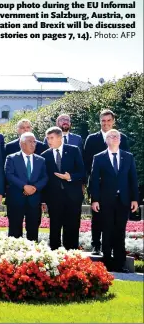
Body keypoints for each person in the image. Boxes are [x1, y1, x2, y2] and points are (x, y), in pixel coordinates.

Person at [89, 129, 139, 273]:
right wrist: (95, 200)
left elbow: (133, 179)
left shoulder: (128, 157)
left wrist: (135, 199)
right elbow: (94, 181)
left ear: (120, 140)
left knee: (120, 232)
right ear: (106, 140)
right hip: (106, 200)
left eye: (116, 136)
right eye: (111, 136)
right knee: (107, 230)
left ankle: (120, 263)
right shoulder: (99, 157)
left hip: (123, 200)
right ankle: (107, 263)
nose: (114, 138)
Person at [84, 109, 132, 255]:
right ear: (100, 122)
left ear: (113, 121)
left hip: (117, 189)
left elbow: (127, 165)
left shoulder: (121, 138)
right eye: (103, 121)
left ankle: (113, 249)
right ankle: (96, 244)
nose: (106, 123)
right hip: (99, 186)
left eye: (108, 121)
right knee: (97, 217)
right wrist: (90, 186)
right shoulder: (92, 139)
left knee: (116, 222)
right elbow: (86, 162)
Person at [41, 127, 85, 250]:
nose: (49, 140)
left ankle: (72, 254)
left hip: (73, 196)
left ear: (60, 137)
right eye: (47, 138)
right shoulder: (45, 155)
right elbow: (44, 179)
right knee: (54, 226)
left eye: (52, 138)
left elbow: (82, 172)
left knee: (72, 226)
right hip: (54, 198)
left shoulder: (73, 150)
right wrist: (43, 200)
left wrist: (70, 177)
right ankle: (55, 255)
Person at [5, 132, 48, 242]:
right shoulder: (11, 158)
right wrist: (24, 186)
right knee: (15, 231)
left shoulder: (41, 160)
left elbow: (45, 177)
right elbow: (9, 175)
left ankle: (32, 255)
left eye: (34, 141)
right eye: (30, 141)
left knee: (33, 230)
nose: (33, 144)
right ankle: (14, 256)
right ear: (22, 144)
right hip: (16, 199)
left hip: (34, 201)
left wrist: (35, 188)